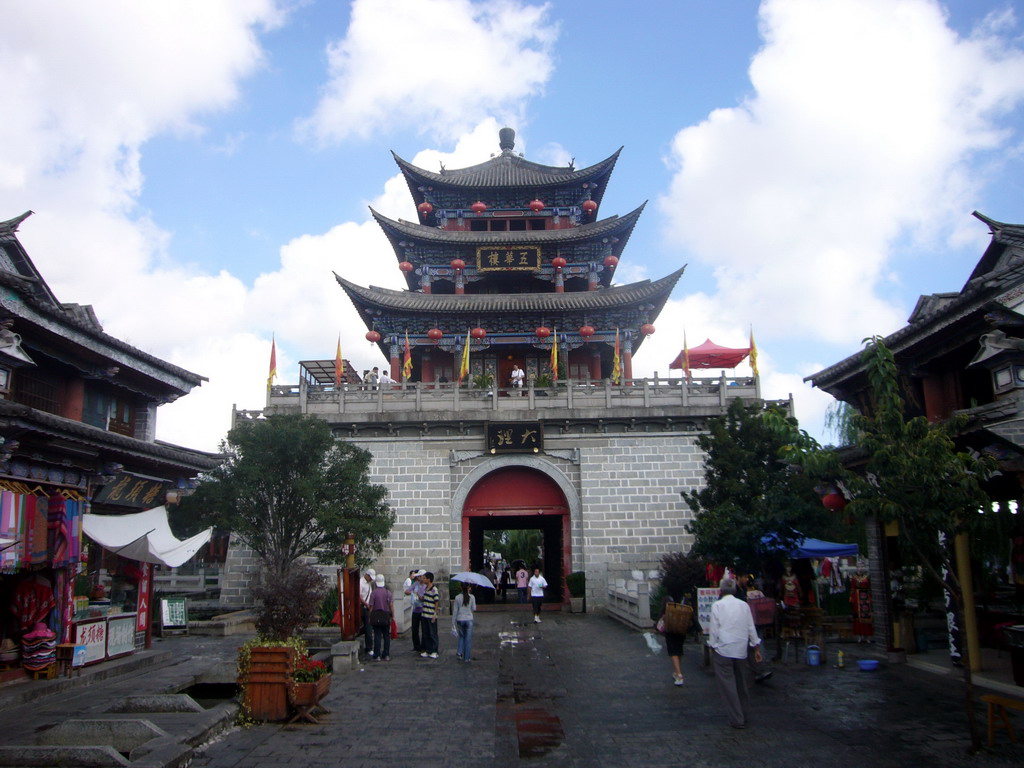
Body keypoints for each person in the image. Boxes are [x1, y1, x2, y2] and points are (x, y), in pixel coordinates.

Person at [709, 576, 763, 730]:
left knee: (728, 685)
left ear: (721, 590)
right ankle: (744, 713)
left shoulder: (717, 606)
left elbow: (714, 629)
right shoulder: (744, 605)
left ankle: (736, 718)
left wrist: (712, 645)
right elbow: (750, 627)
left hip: (723, 648)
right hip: (741, 648)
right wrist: (756, 647)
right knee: (741, 683)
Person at [659, 591, 690, 686]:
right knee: (679, 652)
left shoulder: (665, 612)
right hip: (681, 633)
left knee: (673, 653)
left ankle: (679, 675)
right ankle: (677, 671)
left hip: (670, 633)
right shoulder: (680, 609)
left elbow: (659, 625)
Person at [368, 573, 394, 661]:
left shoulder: (373, 593)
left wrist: (369, 617)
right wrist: (393, 616)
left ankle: (377, 655)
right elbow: (391, 606)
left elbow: (371, 606)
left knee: (377, 635)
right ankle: (386, 654)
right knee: (386, 636)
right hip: (386, 615)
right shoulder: (388, 593)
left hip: (376, 615)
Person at [452, 581, 476, 662]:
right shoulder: (472, 597)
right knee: (468, 639)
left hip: (460, 619)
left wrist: (453, 622)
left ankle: (459, 652)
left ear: (461, 588)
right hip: (469, 619)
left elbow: (455, 611)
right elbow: (474, 608)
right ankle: (467, 657)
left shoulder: (457, 597)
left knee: (461, 637)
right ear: (469, 588)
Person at [419, 571, 440, 659]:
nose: (423, 579)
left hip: (431, 615)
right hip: (424, 614)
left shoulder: (434, 589)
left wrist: (435, 614)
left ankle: (434, 650)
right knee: (425, 633)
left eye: (424, 578)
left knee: (433, 633)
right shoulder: (426, 588)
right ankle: (428, 650)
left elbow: (436, 602)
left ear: (429, 579)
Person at [408, 569, 426, 654]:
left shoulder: (426, 586)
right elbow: (407, 590)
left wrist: (418, 595)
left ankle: (423, 646)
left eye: (419, 576)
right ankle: (416, 646)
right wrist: (411, 592)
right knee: (414, 629)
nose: (418, 578)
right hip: (415, 609)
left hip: (423, 609)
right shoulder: (416, 584)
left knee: (424, 629)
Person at [360, 569, 376, 657]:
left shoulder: (369, 583)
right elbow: (359, 596)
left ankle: (369, 646)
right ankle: (369, 647)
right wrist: (366, 604)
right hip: (364, 607)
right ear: (367, 575)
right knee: (368, 627)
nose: (371, 579)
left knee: (368, 627)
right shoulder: (361, 583)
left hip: (368, 606)